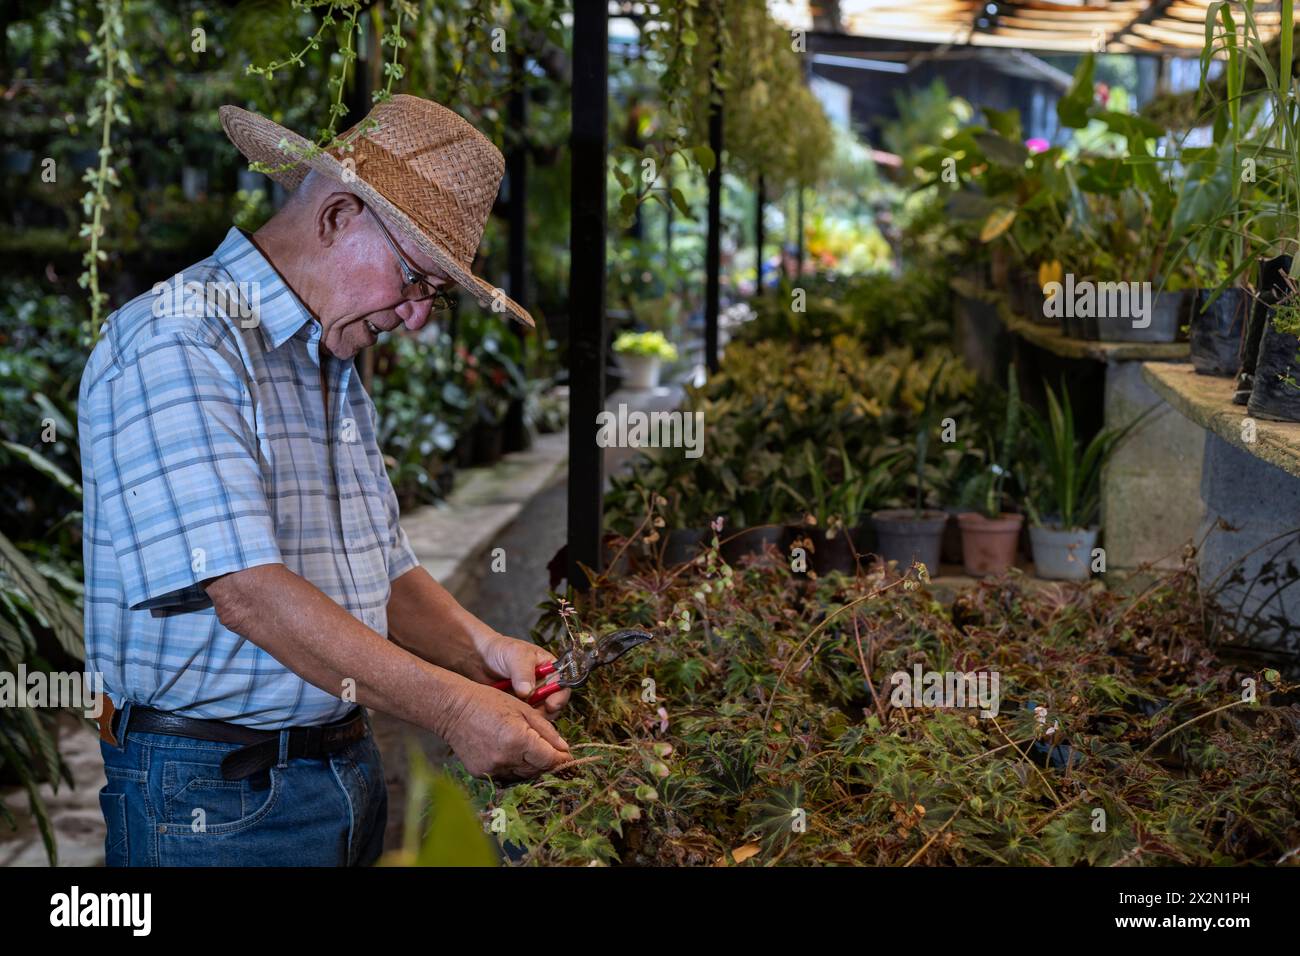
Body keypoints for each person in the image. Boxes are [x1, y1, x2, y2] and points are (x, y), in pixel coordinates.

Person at [79, 95, 570, 867]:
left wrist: (485, 653)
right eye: (416, 280)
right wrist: (452, 710)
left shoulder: (324, 358)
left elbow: (385, 571)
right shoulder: (179, 340)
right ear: (340, 216)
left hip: (339, 769)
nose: (416, 320)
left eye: (433, 296)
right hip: (213, 797)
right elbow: (247, 592)